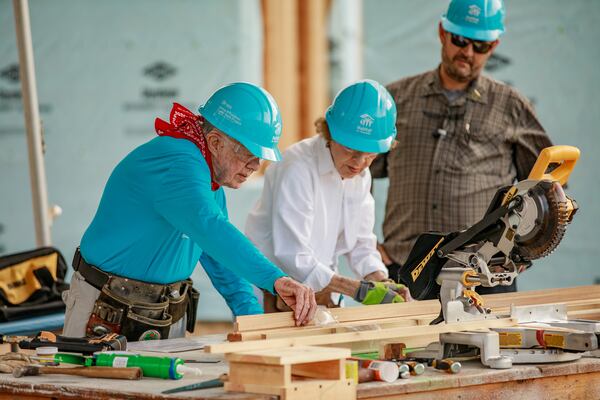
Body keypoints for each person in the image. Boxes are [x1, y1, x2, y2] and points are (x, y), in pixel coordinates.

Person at [63, 82, 317, 341]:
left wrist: (254, 322)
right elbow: (211, 228)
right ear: (216, 142)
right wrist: (275, 279)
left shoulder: (208, 181)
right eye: (249, 154)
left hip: (159, 313)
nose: (255, 166)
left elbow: (221, 260)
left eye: (260, 158)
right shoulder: (179, 162)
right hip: (106, 311)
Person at [371, 0, 553, 297]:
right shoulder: (396, 100)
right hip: (405, 272)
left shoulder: (510, 105)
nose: (467, 53)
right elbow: (357, 171)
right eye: (460, 40)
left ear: (493, 45)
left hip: (485, 275)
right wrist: (365, 245)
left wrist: (524, 249)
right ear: (443, 32)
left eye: (480, 46)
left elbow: (547, 186)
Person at [245, 80, 412, 312]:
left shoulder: (360, 176)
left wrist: (382, 282)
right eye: (351, 150)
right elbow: (293, 255)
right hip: (270, 295)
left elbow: (362, 243)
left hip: (317, 292)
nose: (359, 163)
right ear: (330, 133)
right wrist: (355, 288)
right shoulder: (297, 167)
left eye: (370, 155)